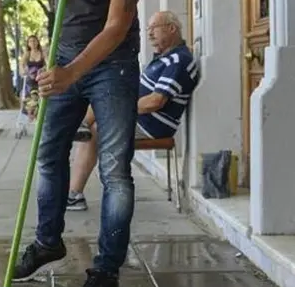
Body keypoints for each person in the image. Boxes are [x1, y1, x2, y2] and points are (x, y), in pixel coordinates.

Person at [9, 0, 152, 287]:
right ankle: (48, 242)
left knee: (115, 171)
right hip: (60, 51)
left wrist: (73, 74)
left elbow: (116, 26)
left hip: (112, 62)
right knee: (49, 155)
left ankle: (106, 273)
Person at [66, 11, 200, 211]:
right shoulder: (165, 58)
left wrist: (121, 106)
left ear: (171, 29)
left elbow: (156, 101)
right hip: (139, 119)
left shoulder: (178, 61)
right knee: (101, 103)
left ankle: (74, 194)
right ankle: (79, 128)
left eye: (154, 28)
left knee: (95, 129)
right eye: (147, 29)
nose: (149, 34)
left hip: (152, 126)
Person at [19, 35, 46, 120]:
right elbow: (21, 65)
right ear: (28, 44)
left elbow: (48, 64)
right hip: (30, 78)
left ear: (37, 42)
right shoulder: (27, 54)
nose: (32, 43)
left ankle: (37, 113)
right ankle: (30, 113)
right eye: (30, 41)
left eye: (34, 41)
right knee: (28, 93)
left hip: (40, 77)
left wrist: (42, 69)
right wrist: (25, 72)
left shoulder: (42, 53)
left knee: (39, 95)